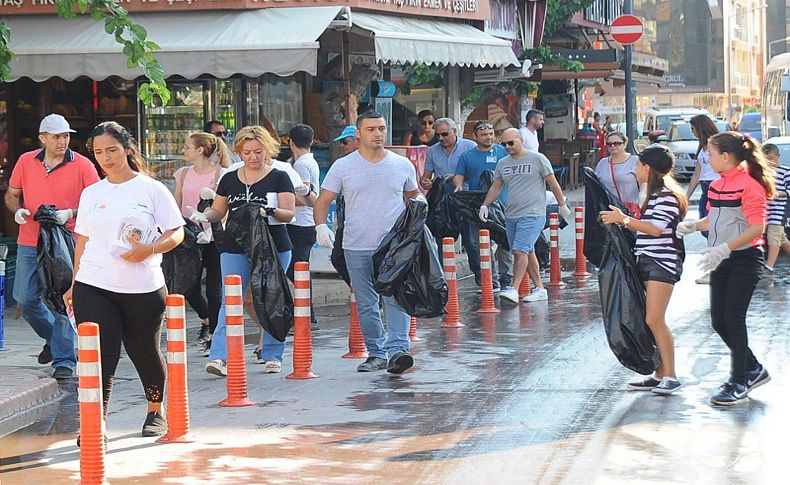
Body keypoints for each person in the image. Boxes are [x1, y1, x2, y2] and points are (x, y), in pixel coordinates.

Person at [65, 121, 185, 437]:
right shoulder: (92, 193)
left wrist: (151, 248)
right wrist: (75, 282)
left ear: (127, 149)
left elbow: (177, 231)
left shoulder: (151, 189)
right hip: (94, 283)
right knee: (99, 353)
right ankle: (95, 422)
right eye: (99, 152)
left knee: (143, 349)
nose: (106, 157)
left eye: (112, 150)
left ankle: (155, 411)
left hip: (142, 286)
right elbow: (83, 240)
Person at [314, 111, 420, 375]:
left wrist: (420, 204)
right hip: (356, 244)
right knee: (366, 301)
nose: (378, 134)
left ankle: (398, 350)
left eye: (382, 128)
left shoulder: (401, 164)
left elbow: (413, 193)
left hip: (393, 245)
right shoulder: (343, 166)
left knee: (395, 296)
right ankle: (376, 353)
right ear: (358, 134)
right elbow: (323, 200)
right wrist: (320, 226)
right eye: (371, 129)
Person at [676, 131, 774, 405]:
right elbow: (717, 218)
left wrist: (725, 248)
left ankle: (739, 381)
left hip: (745, 258)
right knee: (718, 321)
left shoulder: (750, 185)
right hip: (722, 258)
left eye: (710, 153)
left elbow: (757, 227)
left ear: (726, 157)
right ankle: (753, 369)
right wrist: (695, 225)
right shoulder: (719, 184)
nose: (707, 157)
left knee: (733, 319)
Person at [191, 125, 296, 376]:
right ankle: (220, 356)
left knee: (269, 295)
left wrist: (268, 210)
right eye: (247, 152)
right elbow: (219, 210)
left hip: (273, 245)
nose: (253, 157)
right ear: (239, 152)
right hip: (235, 245)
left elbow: (289, 213)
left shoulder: (279, 176)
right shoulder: (230, 178)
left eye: (258, 151)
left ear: (267, 150)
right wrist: (204, 215)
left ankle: (272, 353)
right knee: (231, 299)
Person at [5, 113, 100, 380]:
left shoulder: (82, 165)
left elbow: (98, 204)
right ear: (42, 138)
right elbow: (12, 194)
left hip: (66, 241)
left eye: (66, 135)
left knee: (62, 300)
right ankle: (57, 340)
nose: (63, 141)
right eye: (57, 136)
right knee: (25, 297)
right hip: (29, 238)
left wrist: (70, 213)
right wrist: (18, 211)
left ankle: (64, 360)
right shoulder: (26, 161)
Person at [600, 144, 687, 395]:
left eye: (638, 164)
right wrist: (624, 218)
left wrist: (623, 220)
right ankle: (660, 373)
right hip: (648, 260)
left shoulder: (668, 196)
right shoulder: (655, 194)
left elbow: (656, 229)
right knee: (650, 320)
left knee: (654, 319)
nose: (635, 169)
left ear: (648, 168)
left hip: (662, 262)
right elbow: (647, 226)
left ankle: (670, 374)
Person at [479, 128, 571, 303]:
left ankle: (514, 289)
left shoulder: (538, 159)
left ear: (521, 140)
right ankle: (540, 289)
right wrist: (485, 205)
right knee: (528, 251)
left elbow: (553, 182)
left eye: (511, 143)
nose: (507, 146)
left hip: (533, 213)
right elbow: (496, 186)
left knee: (519, 250)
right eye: (504, 144)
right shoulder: (503, 163)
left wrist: (562, 205)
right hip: (512, 214)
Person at [173, 132, 231, 353]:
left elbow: (225, 207)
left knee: (215, 287)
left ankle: (214, 338)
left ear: (200, 150)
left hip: (214, 236)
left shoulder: (221, 173)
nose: (184, 151)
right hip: (189, 235)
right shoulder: (183, 173)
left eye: (187, 147)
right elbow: (176, 203)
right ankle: (206, 317)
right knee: (188, 285)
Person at [453, 120, 514, 291]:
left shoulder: (503, 152)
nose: (488, 137)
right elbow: (459, 175)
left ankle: (506, 279)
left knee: (505, 244)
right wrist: (458, 185)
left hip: (504, 204)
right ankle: (490, 280)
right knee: (481, 244)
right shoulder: (467, 156)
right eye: (484, 134)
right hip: (479, 207)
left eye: (491, 134)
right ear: (475, 136)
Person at [420, 118, 479, 283]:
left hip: (466, 198)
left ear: (454, 131)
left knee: (471, 241)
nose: (441, 138)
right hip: (443, 201)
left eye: (445, 134)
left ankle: (482, 277)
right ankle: (443, 280)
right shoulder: (433, 151)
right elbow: (426, 176)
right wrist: (425, 182)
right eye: (437, 135)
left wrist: (457, 177)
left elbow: (477, 173)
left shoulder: (469, 147)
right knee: (441, 239)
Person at [287, 124, 321, 329]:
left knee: (297, 270)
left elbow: (304, 197)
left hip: (301, 223)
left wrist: (278, 201)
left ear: (290, 142)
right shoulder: (308, 161)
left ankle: (308, 315)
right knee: (297, 269)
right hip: (304, 223)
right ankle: (306, 313)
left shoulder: (301, 165)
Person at [684, 115, 721, 284]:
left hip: (718, 187)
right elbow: (697, 174)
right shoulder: (702, 147)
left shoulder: (717, 143)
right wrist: (685, 197)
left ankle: (714, 270)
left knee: (713, 228)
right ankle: (715, 268)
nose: (692, 132)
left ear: (701, 128)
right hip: (705, 188)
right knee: (706, 229)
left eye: (693, 129)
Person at [594, 132, 641, 216]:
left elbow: (645, 186)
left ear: (625, 144)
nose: (613, 146)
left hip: (631, 211)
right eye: (609, 144)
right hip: (609, 211)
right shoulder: (602, 163)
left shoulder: (635, 161)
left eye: (617, 143)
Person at [761, 143, 790, 273]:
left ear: (778, 156)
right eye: (766, 160)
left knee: (774, 235)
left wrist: (777, 194)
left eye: (772, 158)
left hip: (779, 208)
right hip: (766, 209)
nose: (770, 162)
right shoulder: (763, 172)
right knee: (781, 238)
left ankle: (769, 267)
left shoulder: (786, 171)